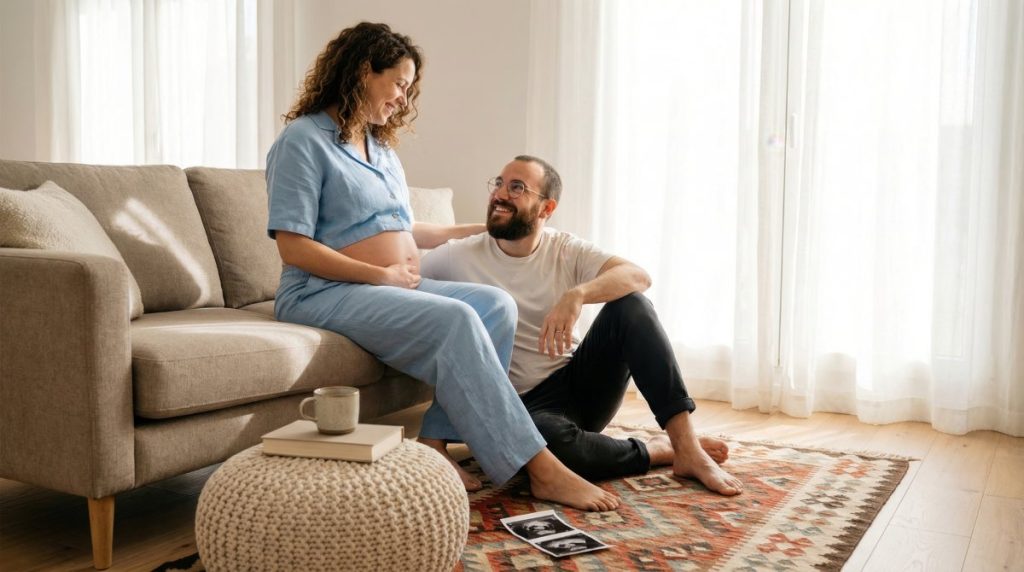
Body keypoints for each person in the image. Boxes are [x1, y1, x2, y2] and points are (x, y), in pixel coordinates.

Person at [265, 23, 618, 511]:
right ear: (365, 71)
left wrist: (485, 227)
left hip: (392, 284)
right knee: (457, 318)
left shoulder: (382, 150)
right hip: (319, 291)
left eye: (408, 89)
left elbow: (407, 231)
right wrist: (381, 276)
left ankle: (434, 445)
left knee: (495, 304)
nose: (403, 100)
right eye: (399, 84)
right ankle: (539, 467)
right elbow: (294, 247)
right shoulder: (303, 141)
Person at [420, 155, 743, 496]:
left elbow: (638, 276)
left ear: (546, 208)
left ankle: (687, 446)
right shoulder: (457, 256)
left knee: (632, 306)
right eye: (498, 184)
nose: (500, 194)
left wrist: (578, 294)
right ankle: (659, 449)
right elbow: (405, 283)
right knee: (549, 450)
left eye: (517, 187)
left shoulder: (564, 248)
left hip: (579, 386)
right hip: (522, 408)